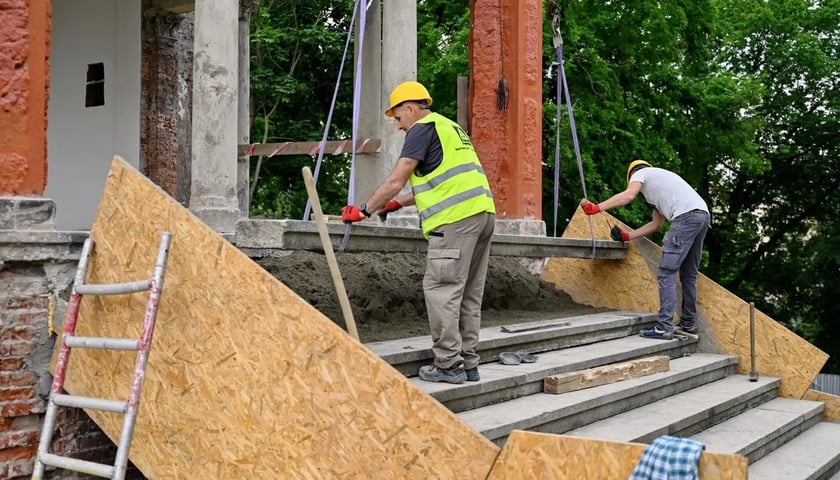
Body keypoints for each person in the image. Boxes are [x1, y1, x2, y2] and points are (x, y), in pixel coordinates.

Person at [341, 81, 496, 384]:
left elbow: (398, 177)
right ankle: (468, 362)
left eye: (398, 118)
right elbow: (443, 180)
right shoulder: (450, 128)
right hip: (482, 217)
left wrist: (365, 209)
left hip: (454, 222)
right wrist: (398, 204)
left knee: (442, 290)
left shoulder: (420, 129)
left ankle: (448, 365)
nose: (398, 126)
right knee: (468, 294)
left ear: (411, 109)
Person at [580, 160, 711, 340]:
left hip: (685, 218)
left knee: (666, 272)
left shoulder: (641, 173)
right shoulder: (661, 187)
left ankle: (664, 326)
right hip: (702, 216)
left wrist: (597, 208)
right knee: (688, 274)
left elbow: (628, 196)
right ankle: (688, 324)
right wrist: (628, 236)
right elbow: (655, 225)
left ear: (632, 174)